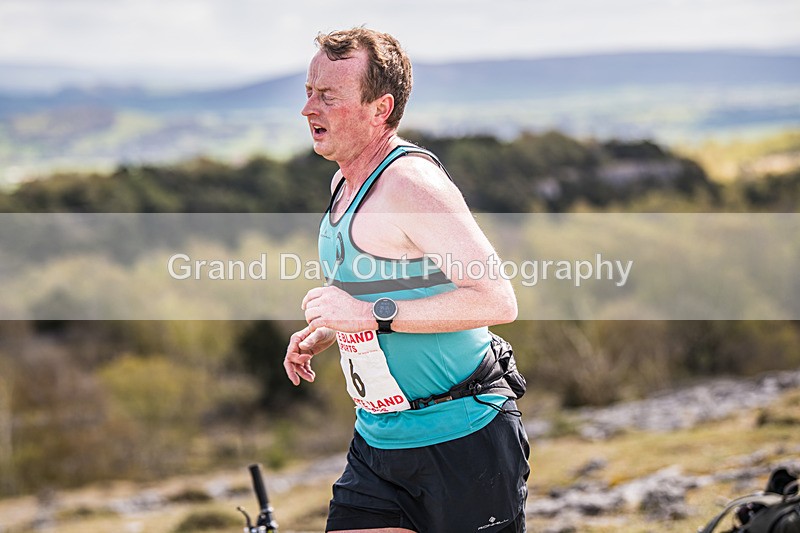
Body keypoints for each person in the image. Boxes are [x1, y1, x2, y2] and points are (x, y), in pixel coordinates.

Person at [283, 27, 530, 533]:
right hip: (379, 443)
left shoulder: (411, 184)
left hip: (464, 437)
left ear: (380, 108)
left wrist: (369, 316)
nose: (309, 109)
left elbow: (497, 299)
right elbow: (384, 289)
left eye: (328, 96)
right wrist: (332, 330)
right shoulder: (343, 183)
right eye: (309, 91)